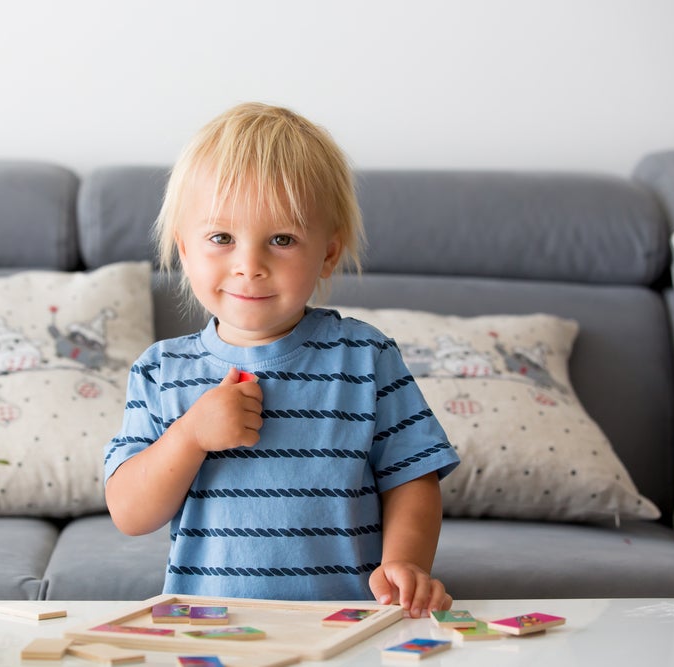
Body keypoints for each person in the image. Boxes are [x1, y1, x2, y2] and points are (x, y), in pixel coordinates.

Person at [104, 102, 460, 617]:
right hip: (209, 628)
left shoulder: (365, 356)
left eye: (282, 239)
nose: (250, 266)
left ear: (328, 253)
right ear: (185, 249)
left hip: (343, 625)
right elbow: (130, 512)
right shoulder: (161, 371)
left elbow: (412, 478)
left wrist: (405, 563)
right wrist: (190, 435)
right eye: (221, 238)